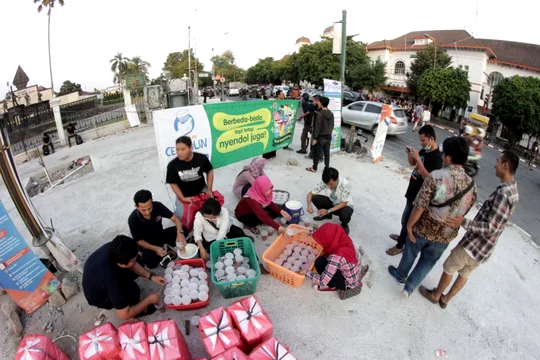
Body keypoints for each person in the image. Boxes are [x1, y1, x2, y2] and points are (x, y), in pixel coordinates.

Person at [419, 150, 519, 309]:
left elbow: (491, 227)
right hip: (485, 249)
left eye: (498, 161)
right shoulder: (513, 190)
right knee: (465, 273)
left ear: (505, 165)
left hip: (474, 245)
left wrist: (463, 221)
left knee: (450, 267)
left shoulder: (504, 193)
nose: (495, 164)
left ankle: (436, 295)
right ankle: (445, 299)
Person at [388, 136, 477, 298]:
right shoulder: (472, 186)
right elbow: (465, 209)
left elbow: (420, 205)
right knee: (428, 262)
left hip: (423, 228)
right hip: (446, 235)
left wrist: (409, 226)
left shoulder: (436, 177)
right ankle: (409, 288)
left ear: (449, 157)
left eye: (444, 154)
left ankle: (400, 276)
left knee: (410, 252)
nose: (443, 156)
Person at [387, 125, 443, 256]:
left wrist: (418, 159)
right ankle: (402, 236)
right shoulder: (424, 151)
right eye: (420, 140)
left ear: (431, 139)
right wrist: (411, 155)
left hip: (420, 195)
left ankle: (400, 245)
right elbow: (413, 164)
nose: (421, 143)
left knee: (407, 220)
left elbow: (429, 179)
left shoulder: (437, 158)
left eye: (423, 140)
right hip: (412, 190)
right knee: (405, 218)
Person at [82, 235, 166, 320]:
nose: (135, 259)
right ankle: (140, 310)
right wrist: (149, 300)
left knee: (139, 262)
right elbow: (124, 315)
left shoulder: (116, 248)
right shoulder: (113, 281)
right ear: (121, 264)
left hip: (98, 274)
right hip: (99, 296)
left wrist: (151, 276)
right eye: (133, 260)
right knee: (133, 291)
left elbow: (132, 264)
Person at [128, 190, 187, 269]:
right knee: (151, 264)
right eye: (143, 210)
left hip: (160, 235)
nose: (147, 212)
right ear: (136, 206)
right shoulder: (133, 219)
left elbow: (176, 219)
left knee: (184, 230)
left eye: (149, 208)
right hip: (147, 243)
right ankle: (161, 251)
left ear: (152, 202)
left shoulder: (157, 206)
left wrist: (180, 233)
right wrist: (154, 248)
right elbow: (138, 241)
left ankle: (165, 247)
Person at [303, 223, 363, 299]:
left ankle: (332, 285)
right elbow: (322, 235)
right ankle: (332, 279)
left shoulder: (336, 257)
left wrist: (306, 273)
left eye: (321, 240)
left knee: (319, 262)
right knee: (324, 260)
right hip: (354, 272)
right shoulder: (342, 238)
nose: (320, 242)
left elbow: (322, 281)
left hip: (347, 284)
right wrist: (307, 232)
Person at [166, 136, 214, 219]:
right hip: (184, 194)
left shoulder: (201, 158)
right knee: (181, 218)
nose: (179, 152)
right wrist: (182, 198)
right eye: (177, 149)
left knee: (211, 212)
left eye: (183, 149)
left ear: (191, 148)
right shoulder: (172, 165)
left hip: (201, 190)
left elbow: (209, 171)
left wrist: (209, 189)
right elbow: (172, 183)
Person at [307, 167, 354, 234]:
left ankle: (344, 224)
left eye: (331, 184)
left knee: (345, 214)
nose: (329, 186)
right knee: (315, 198)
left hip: (345, 206)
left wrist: (328, 210)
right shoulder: (326, 181)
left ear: (336, 179)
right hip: (333, 203)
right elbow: (310, 193)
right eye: (327, 184)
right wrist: (309, 205)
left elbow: (344, 203)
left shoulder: (345, 184)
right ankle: (327, 215)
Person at [306, 96, 334, 173]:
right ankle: (327, 168)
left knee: (317, 153)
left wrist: (315, 138)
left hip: (321, 137)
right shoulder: (331, 114)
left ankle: (314, 168)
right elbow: (332, 126)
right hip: (328, 136)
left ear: (321, 103)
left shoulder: (320, 114)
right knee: (327, 154)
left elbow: (317, 127)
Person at [262, 90, 286, 159]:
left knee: (275, 138)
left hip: (278, 124)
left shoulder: (283, 103)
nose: (283, 95)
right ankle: (267, 155)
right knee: (270, 139)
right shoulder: (273, 102)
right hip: (272, 124)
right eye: (282, 94)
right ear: (278, 95)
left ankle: (272, 153)